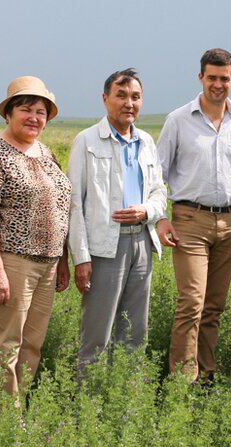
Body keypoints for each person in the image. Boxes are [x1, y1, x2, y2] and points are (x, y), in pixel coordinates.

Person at [156, 48, 231, 382]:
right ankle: (182, 380)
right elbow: (157, 174)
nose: (218, 84)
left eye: (224, 78)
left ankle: (206, 376)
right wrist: (161, 218)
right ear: (200, 77)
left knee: (214, 306)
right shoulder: (178, 120)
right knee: (192, 302)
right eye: (212, 77)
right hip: (190, 219)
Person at [0, 76, 71, 398]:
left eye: (41, 112)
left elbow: (61, 205)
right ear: (9, 113)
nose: (34, 118)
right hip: (14, 262)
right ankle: (5, 419)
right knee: (6, 344)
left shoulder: (45, 152)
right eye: (26, 110)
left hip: (48, 262)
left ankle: (20, 408)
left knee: (33, 343)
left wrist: (64, 260)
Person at [67, 69, 168, 373]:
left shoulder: (146, 142)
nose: (129, 103)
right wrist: (81, 259)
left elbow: (159, 192)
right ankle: (90, 410)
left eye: (135, 97)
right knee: (97, 336)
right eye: (121, 95)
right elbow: (74, 204)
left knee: (135, 333)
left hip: (142, 243)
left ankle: (127, 407)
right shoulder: (87, 141)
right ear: (105, 99)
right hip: (103, 249)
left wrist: (147, 211)